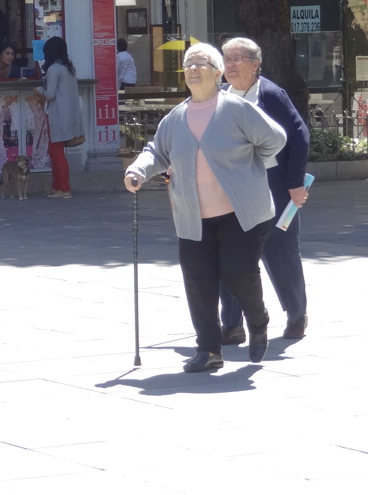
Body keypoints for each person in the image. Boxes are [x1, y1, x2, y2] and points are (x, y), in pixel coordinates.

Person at [125, 42, 286, 373]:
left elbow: (276, 138)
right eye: (189, 65)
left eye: (201, 63)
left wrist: (254, 163)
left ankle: (258, 321)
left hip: (242, 214)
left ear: (217, 73)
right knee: (198, 281)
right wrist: (138, 170)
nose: (194, 69)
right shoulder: (176, 117)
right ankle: (208, 350)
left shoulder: (236, 109)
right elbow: (157, 151)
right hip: (193, 217)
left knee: (237, 272)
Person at [218, 37, 311, 343]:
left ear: (255, 64)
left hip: (273, 183)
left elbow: (299, 136)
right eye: (226, 59)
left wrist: (295, 183)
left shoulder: (270, 94)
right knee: (230, 253)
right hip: (232, 184)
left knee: (280, 252)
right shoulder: (219, 95)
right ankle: (231, 324)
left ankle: (296, 315)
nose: (229, 66)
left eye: (237, 59)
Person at [36, 36, 84, 198]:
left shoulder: (53, 69)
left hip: (57, 115)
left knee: (56, 152)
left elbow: (49, 94)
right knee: (56, 150)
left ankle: (63, 188)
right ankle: (57, 186)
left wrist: (38, 90)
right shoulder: (69, 68)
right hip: (69, 114)